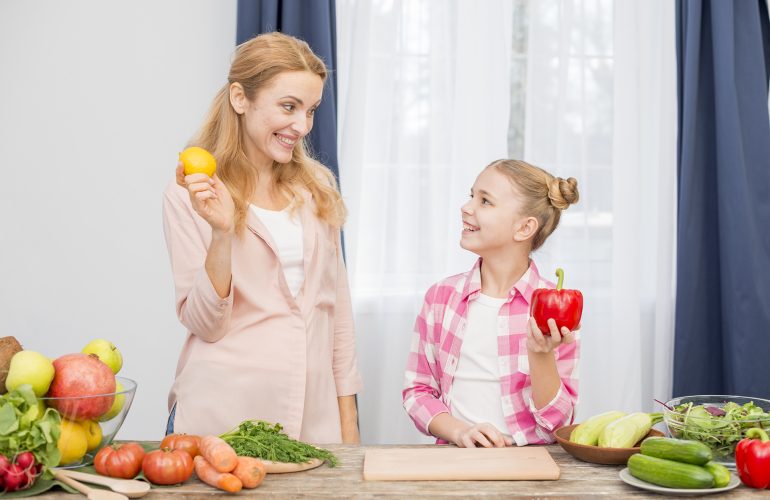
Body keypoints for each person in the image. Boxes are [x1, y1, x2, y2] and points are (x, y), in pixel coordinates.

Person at [162, 32, 362, 443]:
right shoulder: (191, 193)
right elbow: (206, 324)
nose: (302, 125)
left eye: (310, 110)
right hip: (219, 425)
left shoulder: (317, 190)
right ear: (240, 98)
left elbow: (337, 316)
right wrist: (221, 233)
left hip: (312, 427)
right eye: (289, 106)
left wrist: (349, 429)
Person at [402, 159, 581, 447]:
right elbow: (418, 391)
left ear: (524, 228)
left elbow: (557, 424)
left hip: (528, 464)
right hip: (455, 458)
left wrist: (541, 355)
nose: (466, 207)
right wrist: (460, 431)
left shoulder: (554, 309)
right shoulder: (441, 298)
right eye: (471, 195)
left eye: (485, 201)